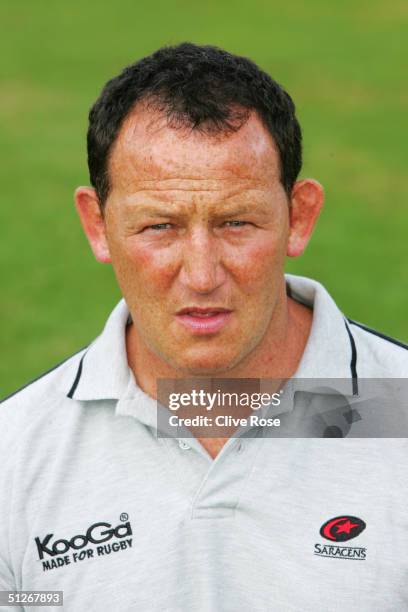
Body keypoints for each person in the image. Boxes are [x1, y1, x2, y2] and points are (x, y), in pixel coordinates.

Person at [1, 43, 407, 612]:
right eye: (158, 226)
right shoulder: (12, 456)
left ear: (300, 216)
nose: (200, 274)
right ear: (98, 225)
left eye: (237, 222)